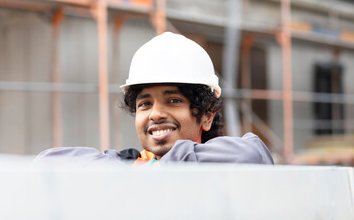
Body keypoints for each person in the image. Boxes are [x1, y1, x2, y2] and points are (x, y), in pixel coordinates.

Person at [33, 32, 273, 166]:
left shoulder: (224, 166)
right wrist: (128, 165)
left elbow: (252, 155)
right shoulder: (132, 167)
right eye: (145, 104)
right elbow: (46, 162)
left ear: (206, 115)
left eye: (173, 101)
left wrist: (163, 164)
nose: (155, 114)